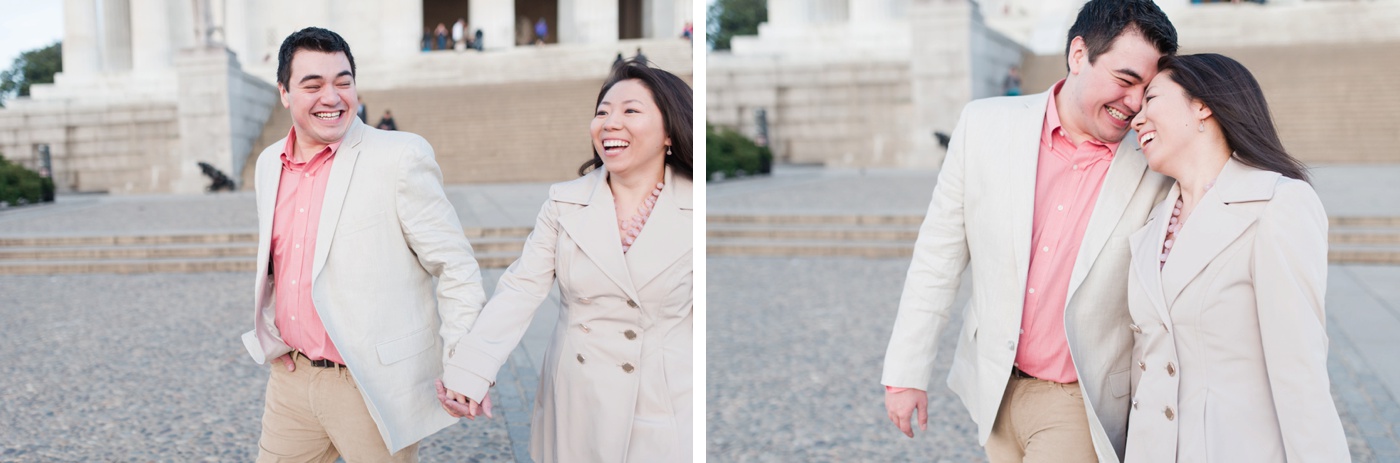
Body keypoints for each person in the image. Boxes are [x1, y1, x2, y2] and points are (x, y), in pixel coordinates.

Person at [880, 1, 1178, 462]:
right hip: (994, 389)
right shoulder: (983, 127)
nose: (1136, 104)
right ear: (1078, 54)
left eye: (1148, 88)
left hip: (1080, 400)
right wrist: (906, 372)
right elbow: (938, 255)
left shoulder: (1159, 166)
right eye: (1125, 80)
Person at [240, 27, 486, 461]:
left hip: (371, 384)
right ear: (284, 92)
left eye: (343, 81)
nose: (332, 97)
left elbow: (456, 267)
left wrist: (464, 364)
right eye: (312, 85)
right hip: (291, 378)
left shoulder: (400, 157)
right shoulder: (267, 164)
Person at [438, 58, 694, 462]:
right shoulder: (564, 201)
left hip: (666, 400)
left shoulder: (698, 209)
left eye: (630, 111)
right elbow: (521, 289)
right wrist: (470, 371)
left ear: (669, 132)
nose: (610, 123)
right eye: (602, 112)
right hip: (577, 399)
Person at [1123, 53, 1349, 462]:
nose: (1136, 120)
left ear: (1202, 104)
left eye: (1151, 99)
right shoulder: (1153, 222)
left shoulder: (1277, 204)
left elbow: (1300, 373)